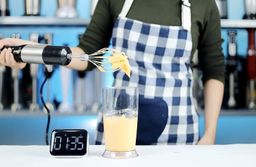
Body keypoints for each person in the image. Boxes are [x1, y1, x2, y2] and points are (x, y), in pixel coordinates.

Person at [0, 0, 224, 145]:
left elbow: (214, 70)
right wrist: (30, 51)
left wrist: (210, 133)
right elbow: (85, 54)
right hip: (118, 132)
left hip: (180, 134)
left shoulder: (204, 4)